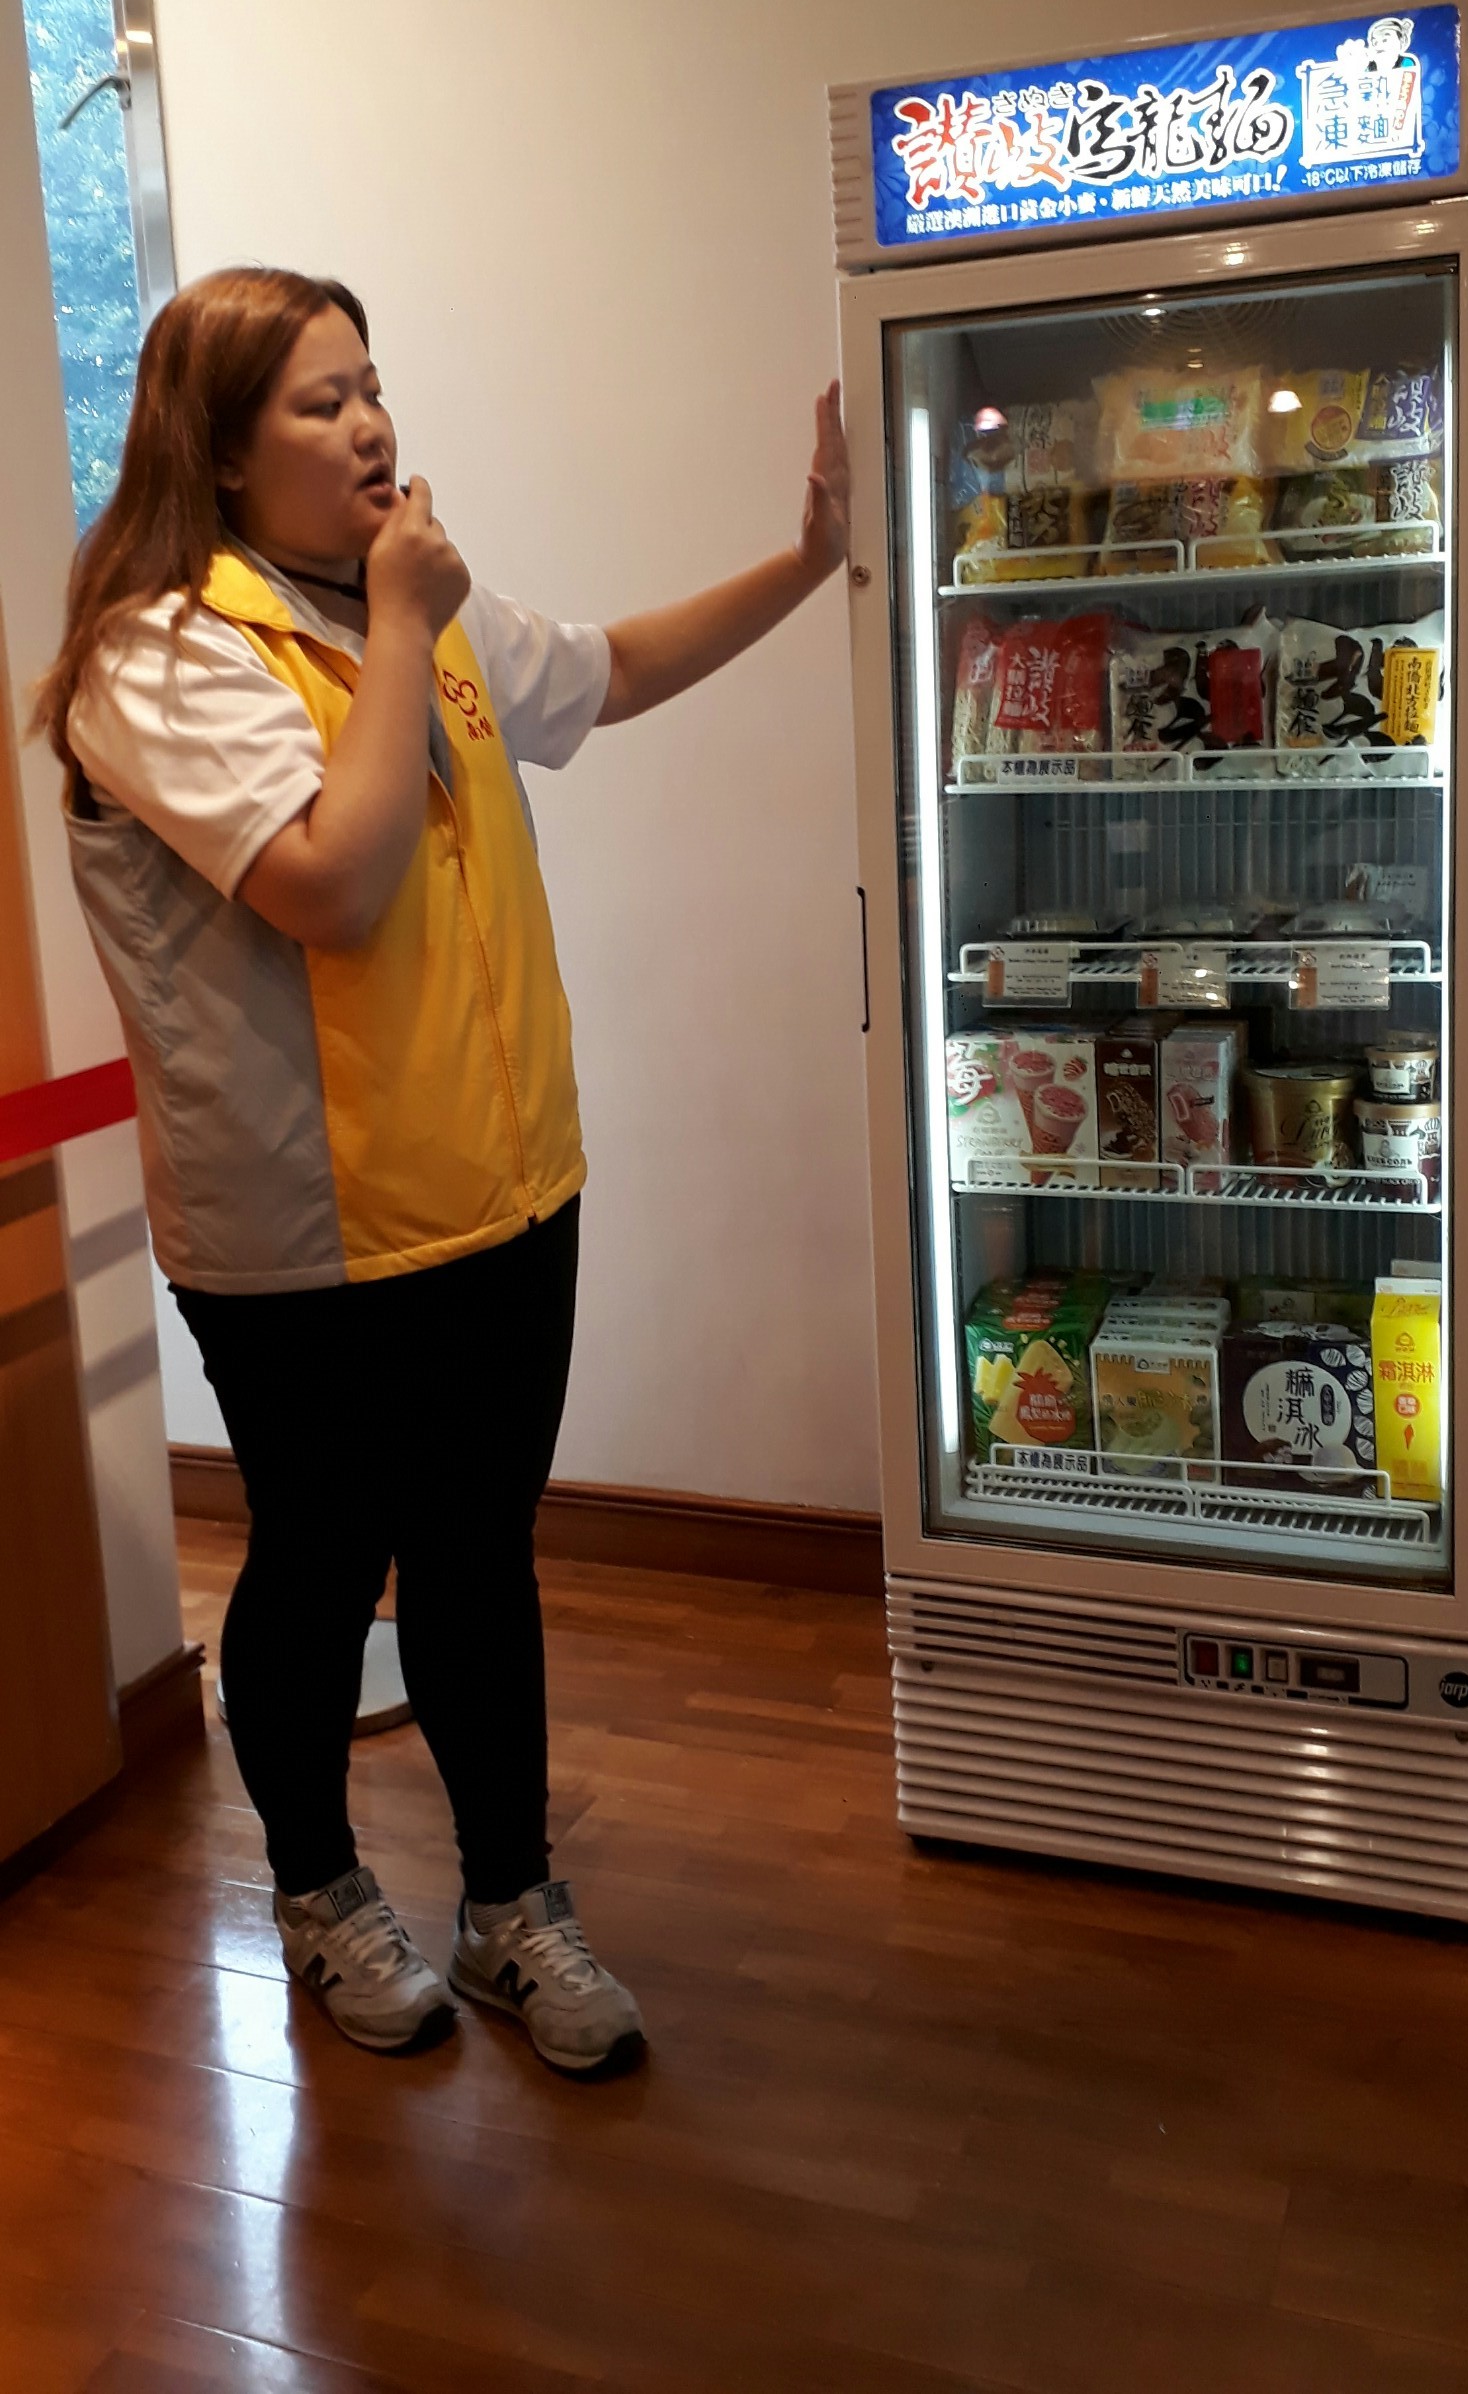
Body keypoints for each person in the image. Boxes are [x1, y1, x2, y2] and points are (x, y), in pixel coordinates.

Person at [35, 265, 849, 2072]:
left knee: (481, 1554)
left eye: (372, 385)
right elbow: (334, 883)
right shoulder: (162, 655)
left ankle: (509, 1905)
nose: (371, 425)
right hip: (303, 1236)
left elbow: (613, 671)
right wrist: (404, 622)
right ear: (220, 452)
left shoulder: (411, 606)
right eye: (319, 401)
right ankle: (319, 1886)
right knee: (322, 1563)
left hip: (503, 1187)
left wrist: (811, 560)